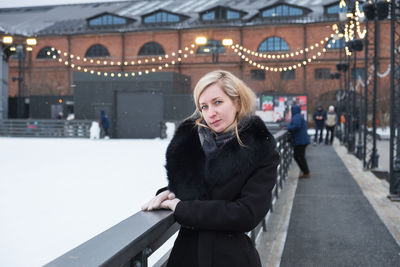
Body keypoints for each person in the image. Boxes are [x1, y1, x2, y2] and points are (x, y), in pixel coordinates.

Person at [141, 70, 279, 267]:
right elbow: (198, 190)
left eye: (218, 102)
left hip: (231, 259)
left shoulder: (260, 150)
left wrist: (183, 208)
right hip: (186, 258)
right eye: (203, 106)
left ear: (237, 102)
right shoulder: (189, 145)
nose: (210, 113)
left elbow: (247, 213)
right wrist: (170, 193)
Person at [287, 104, 311, 178]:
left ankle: (306, 172)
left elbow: (296, 126)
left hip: (300, 140)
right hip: (302, 140)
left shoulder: (296, 117)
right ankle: (306, 172)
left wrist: (287, 127)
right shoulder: (298, 116)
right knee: (300, 156)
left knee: (298, 156)